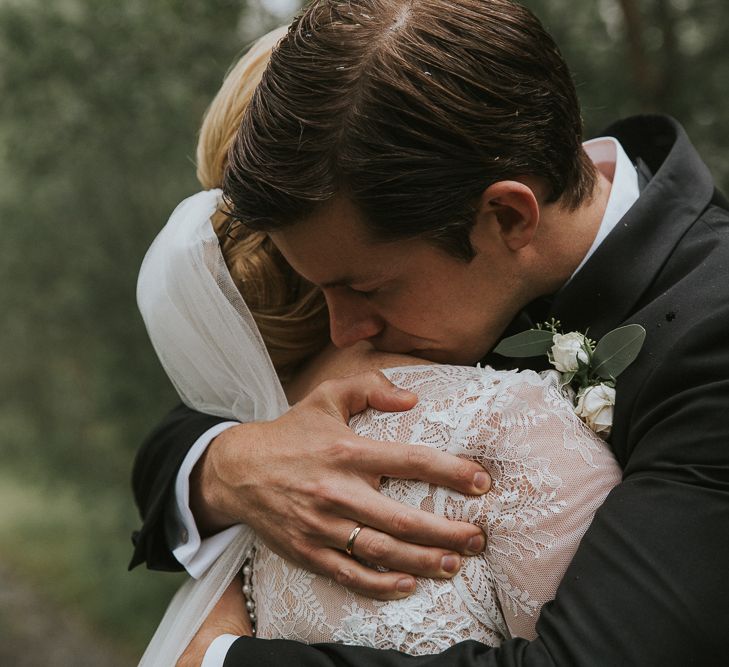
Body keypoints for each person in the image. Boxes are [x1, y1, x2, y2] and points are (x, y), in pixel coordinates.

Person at [132, 0, 729, 664]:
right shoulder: (377, 221)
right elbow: (204, 412)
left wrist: (216, 659)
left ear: (506, 216)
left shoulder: (712, 335)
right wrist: (229, 466)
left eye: (363, 289)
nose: (341, 332)